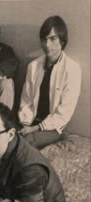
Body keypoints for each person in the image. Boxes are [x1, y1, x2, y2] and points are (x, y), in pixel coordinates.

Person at [18, 15, 81, 149]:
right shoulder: (33, 66)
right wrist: (26, 124)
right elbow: (26, 100)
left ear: (62, 41)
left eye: (53, 39)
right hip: (30, 122)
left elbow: (64, 113)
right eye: (44, 40)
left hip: (53, 127)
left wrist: (35, 128)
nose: (47, 45)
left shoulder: (72, 69)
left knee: (24, 143)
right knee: (7, 135)